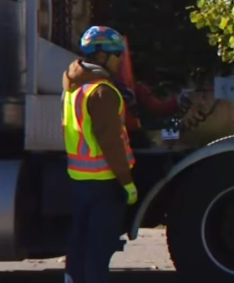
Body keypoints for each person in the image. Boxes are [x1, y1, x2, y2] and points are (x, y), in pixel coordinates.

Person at [62, 25, 138, 283]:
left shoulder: (73, 84)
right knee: (98, 250)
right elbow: (111, 142)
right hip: (104, 182)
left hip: (79, 178)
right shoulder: (102, 92)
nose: (120, 60)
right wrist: (127, 182)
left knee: (79, 243)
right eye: (117, 55)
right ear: (102, 55)